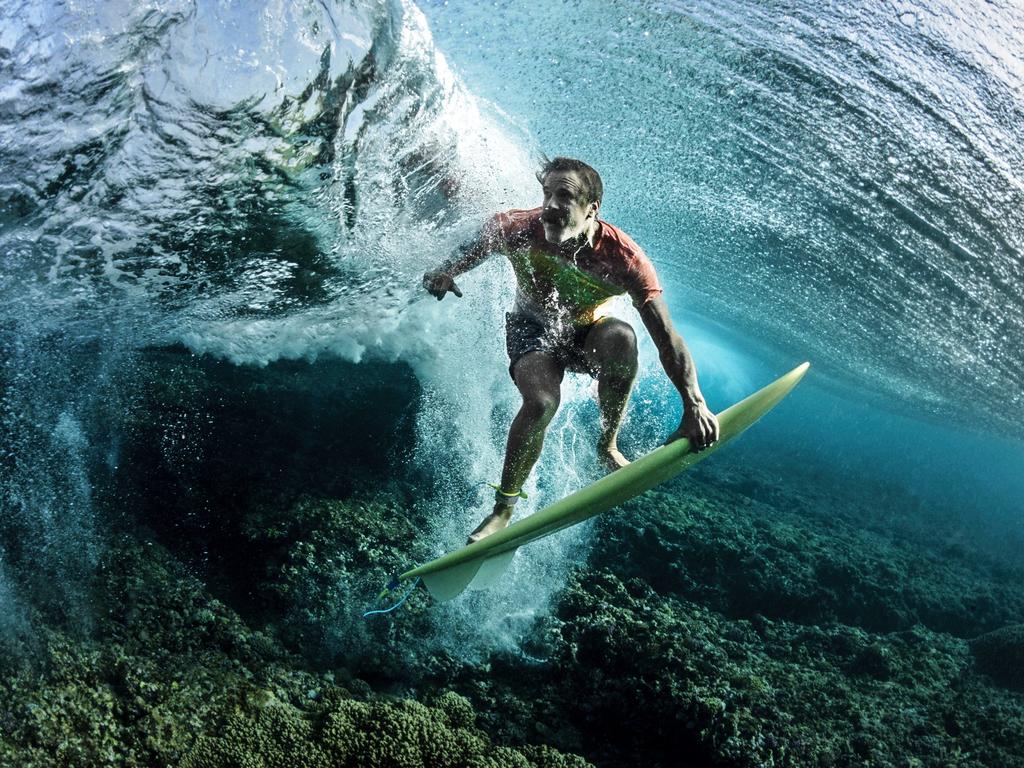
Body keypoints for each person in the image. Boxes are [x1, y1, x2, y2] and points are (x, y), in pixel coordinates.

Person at [423, 157, 719, 544]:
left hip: (586, 335)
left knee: (622, 338)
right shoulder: (518, 228)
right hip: (530, 330)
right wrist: (446, 271)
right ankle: (502, 510)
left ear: (591, 210)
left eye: (565, 196)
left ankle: (607, 445)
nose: (549, 205)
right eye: (547, 193)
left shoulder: (624, 259)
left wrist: (694, 405)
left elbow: (667, 338)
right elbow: (476, 243)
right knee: (542, 402)